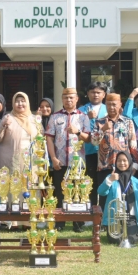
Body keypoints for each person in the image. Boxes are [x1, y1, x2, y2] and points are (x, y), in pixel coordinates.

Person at [46, 88, 91, 231]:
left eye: (71, 97)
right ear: (62, 99)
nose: (68, 100)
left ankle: (78, 222)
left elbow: (89, 139)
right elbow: (49, 138)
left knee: (78, 191)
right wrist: (53, 158)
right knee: (60, 191)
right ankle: (60, 222)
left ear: (77, 99)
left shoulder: (83, 117)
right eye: (65, 97)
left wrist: (77, 132)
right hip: (60, 161)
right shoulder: (55, 117)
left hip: (77, 162)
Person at [92, 93, 138, 208]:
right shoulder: (99, 122)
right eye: (108, 104)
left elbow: (133, 144)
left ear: (120, 105)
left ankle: (124, 222)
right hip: (105, 166)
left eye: (114, 104)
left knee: (123, 196)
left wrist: (135, 165)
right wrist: (102, 129)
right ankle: (105, 223)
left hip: (123, 166)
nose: (111, 107)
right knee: (105, 197)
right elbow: (93, 142)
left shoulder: (128, 122)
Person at [97, 151, 138, 245]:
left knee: (132, 239)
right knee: (116, 239)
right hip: (115, 218)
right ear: (115, 163)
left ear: (129, 162)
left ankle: (133, 230)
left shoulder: (135, 181)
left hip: (130, 218)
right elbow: (101, 192)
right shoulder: (111, 177)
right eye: (119, 160)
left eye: (124, 160)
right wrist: (110, 180)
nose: (122, 163)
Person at [0, 92, 39, 181]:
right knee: (10, 189)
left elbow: (41, 140)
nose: (20, 104)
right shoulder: (8, 117)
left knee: (28, 187)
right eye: (17, 101)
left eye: (22, 101)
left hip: (29, 162)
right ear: (13, 104)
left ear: (27, 103)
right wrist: (2, 125)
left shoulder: (34, 119)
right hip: (9, 160)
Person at [79, 82, 107, 190]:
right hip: (88, 151)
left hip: (104, 152)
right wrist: (88, 118)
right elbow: (76, 129)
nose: (95, 95)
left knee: (104, 182)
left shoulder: (108, 109)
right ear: (88, 94)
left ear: (104, 94)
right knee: (89, 183)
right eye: (93, 92)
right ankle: (91, 206)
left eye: (98, 92)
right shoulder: (81, 110)